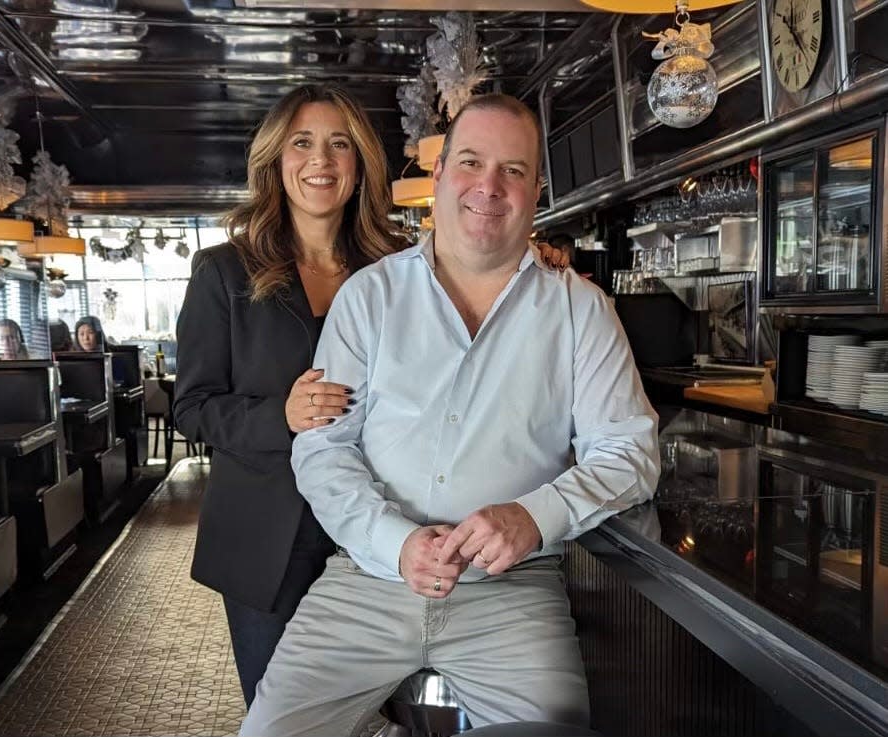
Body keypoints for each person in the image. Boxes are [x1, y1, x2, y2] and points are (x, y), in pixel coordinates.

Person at [241, 94, 661, 736]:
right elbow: (324, 449)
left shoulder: (582, 310)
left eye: (513, 170)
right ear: (438, 178)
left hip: (512, 591)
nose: (489, 186)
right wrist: (395, 540)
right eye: (470, 162)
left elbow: (629, 453)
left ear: (537, 190)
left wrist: (533, 515)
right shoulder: (369, 296)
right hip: (367, 578)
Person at [173, 84, 571, 709]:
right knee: (284, 705)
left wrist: (530, 257)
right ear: (277, 160)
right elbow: (192, 405)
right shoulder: (225, 270)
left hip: (382, 531)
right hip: (269, 534)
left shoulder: (396, 266)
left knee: (396, 713)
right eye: (302, 143)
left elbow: (485, 287)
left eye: (340, 145)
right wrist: (281, 418)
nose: (321, 161)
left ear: (361, 164)